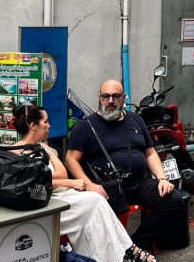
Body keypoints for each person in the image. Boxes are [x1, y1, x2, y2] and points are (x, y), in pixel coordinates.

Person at [13, 105, 159, 262]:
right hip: (45, 206)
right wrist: (70, 182)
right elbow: (36, 181)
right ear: (33, 125)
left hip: (62, 197)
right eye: (45, 121)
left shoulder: (44, 148)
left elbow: (61, 173)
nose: (49, 125)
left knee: (92, 224)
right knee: (95, 202)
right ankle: (126, 252)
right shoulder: (17, 152)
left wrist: (57, 179)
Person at [65, 78, 187, 252]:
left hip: (138, 183)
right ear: (99, 97)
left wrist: (162, 178)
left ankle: (135, 245)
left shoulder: (136, 120)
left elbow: (150, 152)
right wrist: (88, 185)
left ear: (123, 98)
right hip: (107, 188)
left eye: (116, 96)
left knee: (174, 200)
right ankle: (126, 250)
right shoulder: (85, 126)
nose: (110, 101)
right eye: (106, 96)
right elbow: (71, 159)